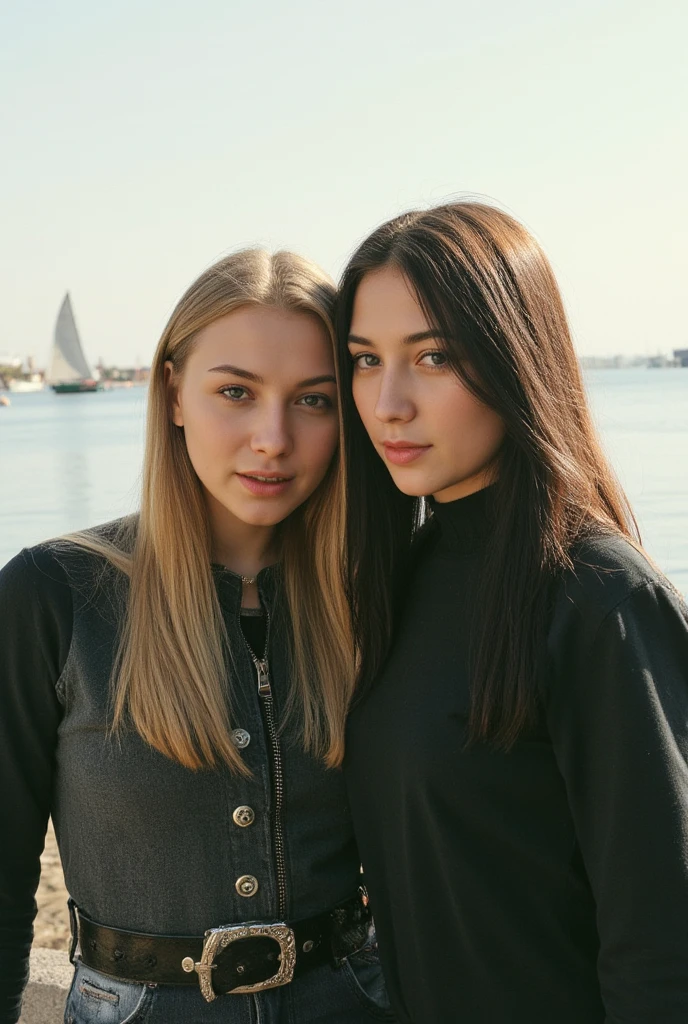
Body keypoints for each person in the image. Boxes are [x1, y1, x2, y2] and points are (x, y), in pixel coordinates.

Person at [0, 249, 394, 1024]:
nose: (272, 438)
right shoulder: (52, 595)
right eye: (236, 392)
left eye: (313, 401)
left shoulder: (377, 596)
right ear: (175, 392)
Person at [335, 201, 688, 1024]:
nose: (388, 402)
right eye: (362, 360)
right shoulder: (398, 579)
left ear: (514, 357)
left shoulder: (597, 595)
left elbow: (664, 944)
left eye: (433, 356)